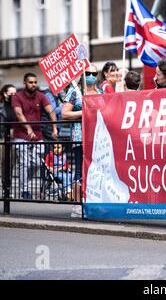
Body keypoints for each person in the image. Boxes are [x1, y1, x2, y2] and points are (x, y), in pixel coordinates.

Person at [62, 65, 102, 216]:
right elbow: (65, 114)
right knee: (80, 170)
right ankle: (78, 205)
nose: (91, 75)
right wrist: (82, 111)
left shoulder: (100, 92)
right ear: (83, 74)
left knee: (97, 171)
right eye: (88, 73)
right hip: (80, 137)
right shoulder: (75, 92)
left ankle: (94, 203)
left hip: (98, 138)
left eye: (94, 73)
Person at [12, 73, 58, 199]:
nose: (33, 85)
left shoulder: (41, 96)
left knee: (37, 163)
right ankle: (24, 190)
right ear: (25, 83)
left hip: (38, 135)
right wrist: (28, 129)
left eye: (35, 82)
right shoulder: (17, 96)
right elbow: (18, 113)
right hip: (21, 135)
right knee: (24, 162)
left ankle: (25, 183)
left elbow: (51, 111)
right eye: (30, 82)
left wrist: (54, 128)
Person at [0, 84, 17, 186]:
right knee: (4, 162)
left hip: (13, 137)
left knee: (11, 163)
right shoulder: (1, 107)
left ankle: (7, 186)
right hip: (2, 137)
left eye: (15, 93)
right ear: (5, 93)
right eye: (11, 93)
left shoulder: (16, 106)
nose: (14, 95)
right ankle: (5, 186)